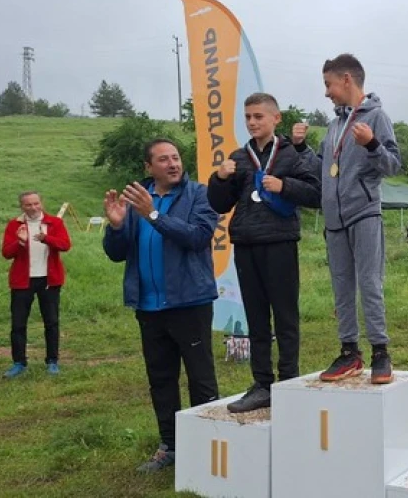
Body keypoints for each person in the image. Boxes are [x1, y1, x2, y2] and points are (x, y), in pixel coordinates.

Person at [102, 138, 220, 473]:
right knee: (161, 379)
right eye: (164, 159)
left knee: (201, 378)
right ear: (148, 167)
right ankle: (170, 445)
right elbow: (117, 253)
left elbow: (198, 237)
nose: (173, 164)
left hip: (189, 302)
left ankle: (207, 443)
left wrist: (153, 215)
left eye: (176, 157)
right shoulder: (137, 200)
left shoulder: (198, 194)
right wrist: (116, 227)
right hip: (149, 307)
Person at [208, 93, 322, 413]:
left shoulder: (291, 155)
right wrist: (219, 178)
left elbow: (316, 194)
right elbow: (219, 204)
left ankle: (288, 382)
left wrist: (284, 186)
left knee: (285, 317)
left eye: (258, 116)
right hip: (246, 243)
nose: (252, 122)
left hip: (280, 242)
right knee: (256, 319)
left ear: (276, 118)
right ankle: (261, 384)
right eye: (248, 117)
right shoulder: (238, 158)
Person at [293, 54, 402, 384]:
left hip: (364, 213)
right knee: (341, 288)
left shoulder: (377, 116)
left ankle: (380, 352)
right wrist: (301, 149)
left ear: (346, 80)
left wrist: (372, 144)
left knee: (369, 284)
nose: (326, 92)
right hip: (334, 220)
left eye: (328, 84)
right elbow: (324, 169)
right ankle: (349, 352)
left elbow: (393, 165)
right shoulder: (334, 125)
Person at [1, 191, 71, 378]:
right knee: (18, 323)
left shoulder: (54, 223)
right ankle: (19, 363)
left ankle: (52, 361)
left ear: (41, 203)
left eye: (36, 203)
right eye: (28, 205)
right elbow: (6, 253)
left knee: (51, 322)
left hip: (49, 280)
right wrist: (20, 242)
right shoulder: (14, 225)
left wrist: (46, 238)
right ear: (22, 206)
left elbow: (65, 245)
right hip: (22, 281)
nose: (33, 208)